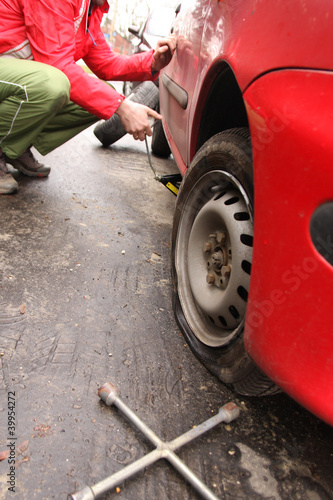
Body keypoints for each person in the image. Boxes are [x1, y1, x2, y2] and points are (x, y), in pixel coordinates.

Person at [0, 0, 176, 194]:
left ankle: (16, 145)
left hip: (14, 79)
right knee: (53, 84)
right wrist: (123, 106)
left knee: (101, 95)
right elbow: (58, 65)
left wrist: (152, 62)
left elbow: (107, 64)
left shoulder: (88, 14)